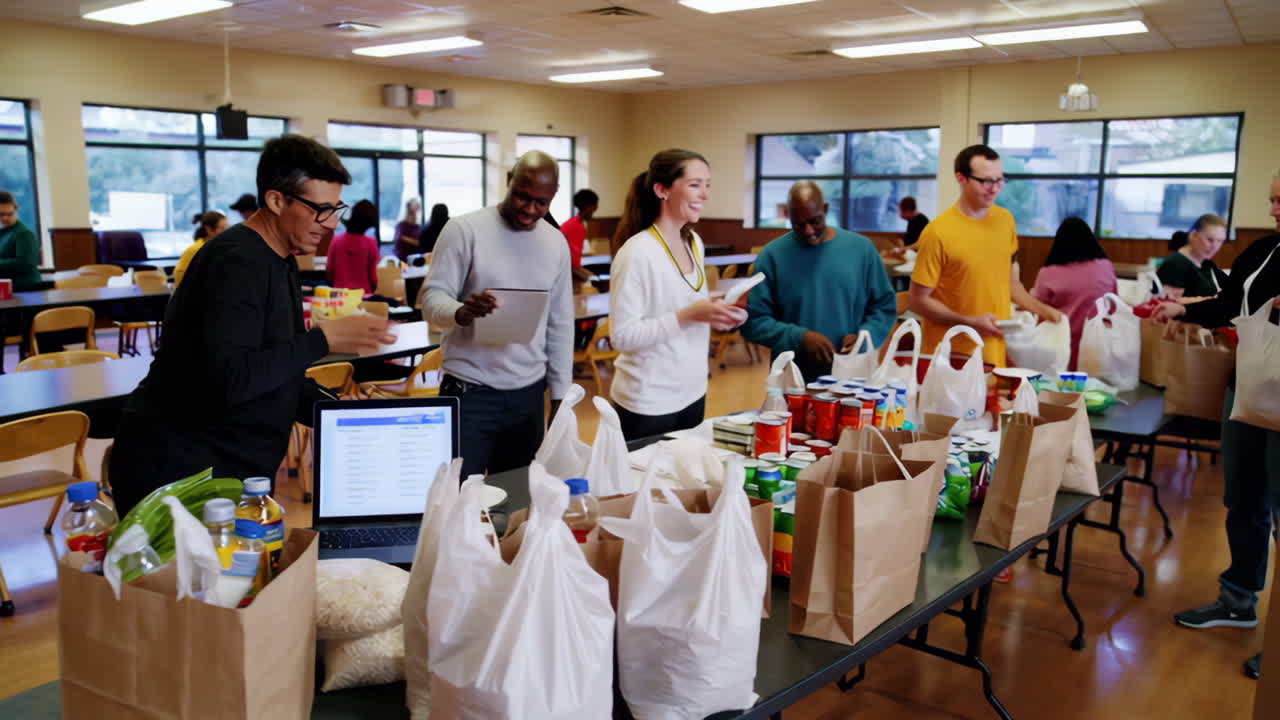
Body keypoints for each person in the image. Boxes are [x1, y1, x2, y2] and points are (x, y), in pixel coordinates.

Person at [108, 134, 396, 514]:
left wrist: (340, 415)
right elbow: (232, 379)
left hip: (227, 467)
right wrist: (322, 339)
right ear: (277, 200)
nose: (330, 225)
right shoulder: (236, 262)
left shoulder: (280, 260)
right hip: (178, 468)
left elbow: (277, 370)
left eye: (335, 210)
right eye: (319, 210)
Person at [1157, 173, 1280, 682]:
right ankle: (1238, 599)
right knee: (1244, 499)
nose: (1275, 208)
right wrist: (1182, 309)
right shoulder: (1263, 251)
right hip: (1251, 391)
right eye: (1273, 197)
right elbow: (1228, 305)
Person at [422, 151, 572, 478]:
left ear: (553, 197)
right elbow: (431, 299)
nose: (530, 210)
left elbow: (560, 323)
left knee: (516, 499)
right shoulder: (464, 230)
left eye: (541, 203)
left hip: (529, 394)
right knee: (460, 497)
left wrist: (561, 394)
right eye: (523, 197)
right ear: (509, 182)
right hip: (470, 391)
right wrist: (462, 311)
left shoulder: (556, 243)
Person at [608, 149, 746, 441]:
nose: (705, 195)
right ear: (662, 189)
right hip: (648, 402)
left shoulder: (693, 241)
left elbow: (687, 307)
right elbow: (622, 337)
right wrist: (688, 315)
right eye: (695, 184)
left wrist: (717, 313)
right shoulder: (636, 253)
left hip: (693, 392)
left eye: (707, 185)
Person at [909, 144, 1062, 367]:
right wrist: (968, 322)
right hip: (950, 357)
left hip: (993, 351)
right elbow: (918, 301)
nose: (995, 188)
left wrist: (1046, 312)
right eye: (986, 181)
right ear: (961, 178)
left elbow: (1010, 284)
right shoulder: (938, 233)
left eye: (999, 180)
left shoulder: (1005, 220)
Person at [742, 181, 897, 381]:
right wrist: (799, 337)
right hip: (794, 374)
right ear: (788, 216)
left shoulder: (861, 250)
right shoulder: (772, 256)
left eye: (815, 221)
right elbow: (753, 322)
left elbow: (884, 307)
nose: (808, 231)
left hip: (852, 373)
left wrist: (866, 336)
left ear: (825, 210)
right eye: (798, 224)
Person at [1030, 217, 1117, 369]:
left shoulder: (1048, 273)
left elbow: (1038, 311)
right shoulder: (1106, 266)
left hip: (1063, 348)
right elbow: (1114, 305)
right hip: (1101, 346)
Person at [1157, 214, 1230, 299]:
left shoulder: (1206, 263)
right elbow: (1169, 303)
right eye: (1210, 240)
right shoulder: (1176, 263)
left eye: (1220, 241)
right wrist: (1210, 301)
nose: (1215, 246)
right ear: (1194, 236)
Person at [326, 199, 381, 295]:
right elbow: (373, 276)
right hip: (364, 295)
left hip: (339, 295)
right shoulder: (371, 243)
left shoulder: (336, 241)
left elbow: (330, 271)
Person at [174, 211, 228, 287]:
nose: (227, 232)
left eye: (227, 228)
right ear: (208, 229)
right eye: (222, 228)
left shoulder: (218, 246)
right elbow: (180, 275)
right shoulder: (196, 249)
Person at [0, 191, 41, 291]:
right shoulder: (4, 231)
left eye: (10, 214)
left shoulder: (24, 233)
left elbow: (26, 263)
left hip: (26, 289)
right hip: (9, 288)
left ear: (16, 211)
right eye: (1, 214)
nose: (5, 218)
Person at [560, 189, 599, 283]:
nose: (596, 208)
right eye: (594, 207)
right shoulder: (576, 226)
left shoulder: (573, 222)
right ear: (588, 207)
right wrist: (593, 278)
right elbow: (574, 266)